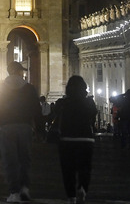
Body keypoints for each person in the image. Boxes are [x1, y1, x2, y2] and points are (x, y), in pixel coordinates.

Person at [0, 61, 40, 203]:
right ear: (18, 72)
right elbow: (36, 109)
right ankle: (25, 188)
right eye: (22, 71)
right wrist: (38, 128)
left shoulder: (0, 88)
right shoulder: (29, 88)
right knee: (25, 159)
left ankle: (14, 192)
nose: (23, 73)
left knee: (10, 161)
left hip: (7, 127)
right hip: (25, 126)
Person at [55, 75, 97, 204]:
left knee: (68, 170)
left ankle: (71, 196)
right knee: (85, 167)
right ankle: (83, 188)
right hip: (86, 139)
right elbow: (93, 117)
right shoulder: (90, 102)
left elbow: (56, 116)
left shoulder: (62, 103)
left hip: (67, 139)